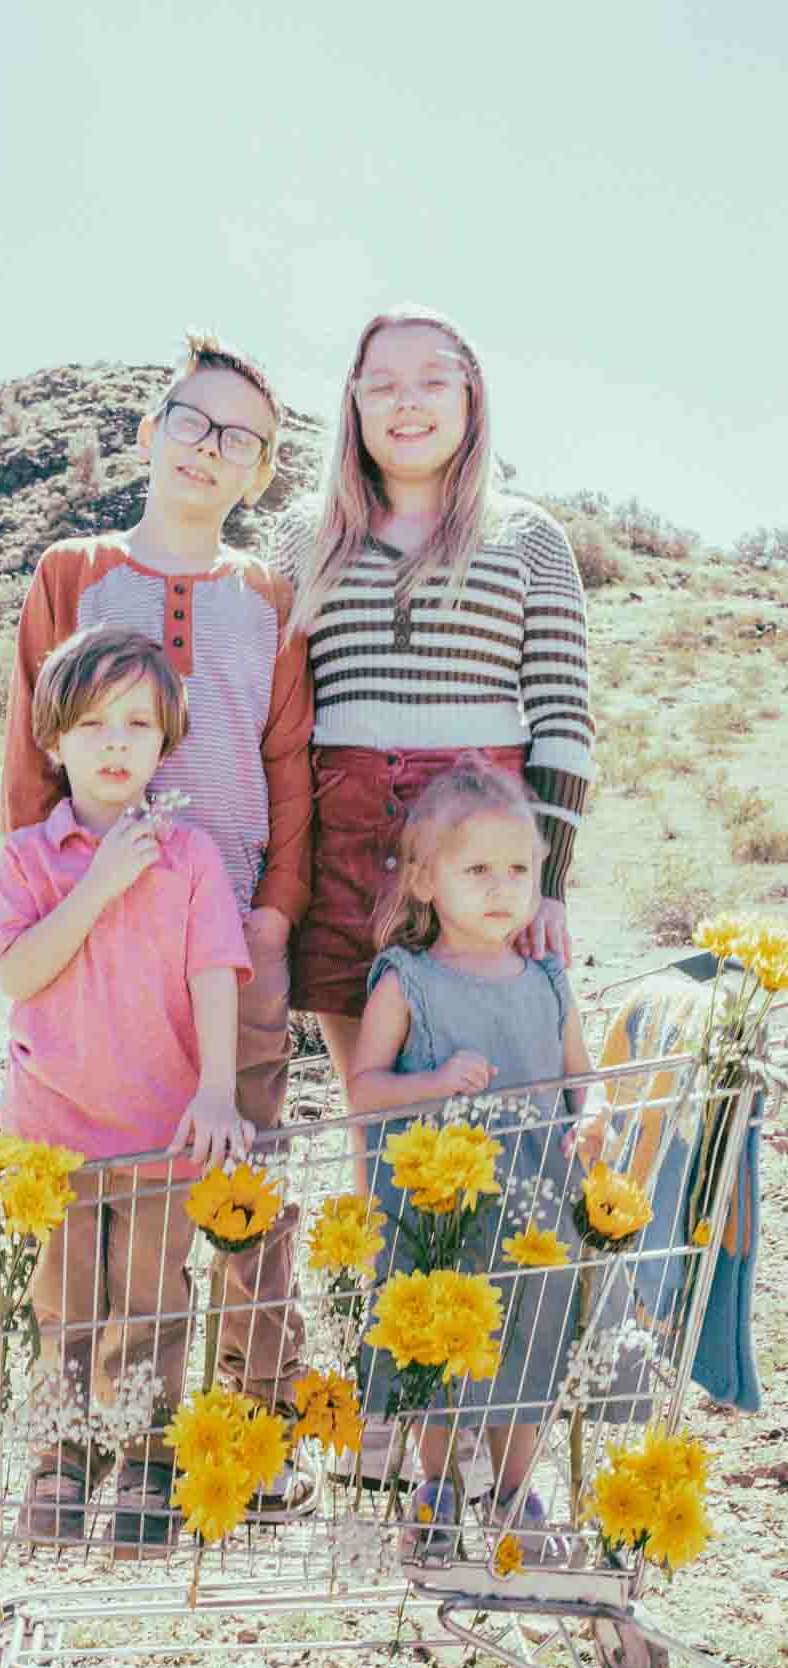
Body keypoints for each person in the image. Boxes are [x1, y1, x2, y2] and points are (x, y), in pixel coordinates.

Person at [0, 332, 315, 1506]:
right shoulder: (72, 574)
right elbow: (31, 761)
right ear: (151, 431)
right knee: (93, 1198)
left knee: (240, 1187)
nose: (209, 448)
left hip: (233, 939)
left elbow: (292, 763)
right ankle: (83, 1444)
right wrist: (53, 902)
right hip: (96, 941)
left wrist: (276, 914)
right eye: (193, 419)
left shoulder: (267, 598)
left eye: (241, 439)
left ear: (259, 474)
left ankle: (246, 1442)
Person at [272, 305, 595, 1109]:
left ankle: (534, 1235)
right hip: (344, 843)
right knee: (375, 1106)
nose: (406, 403)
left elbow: (563, 716)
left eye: (430, 382)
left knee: (511, 1093)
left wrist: (548, 880)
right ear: (353, 403)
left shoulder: (528, 536)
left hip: (487, 848)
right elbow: (273, 720)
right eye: (381, 386)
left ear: (470, 397)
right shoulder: (300, 538)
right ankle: (379, 1243)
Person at [0, 626, 256, 1556]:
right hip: (52, 1132)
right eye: (93, 724)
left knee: (151, 1300)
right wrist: (97, 884)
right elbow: (21, 973)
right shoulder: (29, 858)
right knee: (63, 1303)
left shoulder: (191, 859)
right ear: (53, 742)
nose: (115, 743)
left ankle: (147, 1458)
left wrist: (218, 1092)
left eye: (137, 724)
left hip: (159, 1131)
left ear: (165, 741)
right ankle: (62, 1460)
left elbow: (216, 973)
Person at [349, 758, 603, 1563]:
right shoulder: (409, 981)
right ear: (424, 879)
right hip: (439, 1214)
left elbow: (577, 1078)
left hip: (537, 1209)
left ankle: (513, 1488)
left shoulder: (548, 981)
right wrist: (432, 1080)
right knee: (439, 1350)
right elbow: (364, 1088)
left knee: (529, 1345)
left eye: (520, 870)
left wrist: (591, 1125)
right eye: (478, 869)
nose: (503, 888)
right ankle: (439, 1488)